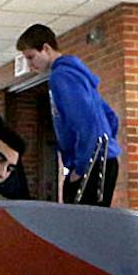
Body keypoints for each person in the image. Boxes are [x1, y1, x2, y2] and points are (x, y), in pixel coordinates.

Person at [15, 25, 121, 205]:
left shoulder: (61, 77)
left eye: (31, 57)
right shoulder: (78, 75)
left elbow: (85, 123)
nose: (30, 65)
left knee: (78, 226)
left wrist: (81, 167)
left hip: (91, 162)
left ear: (46, 49)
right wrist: (107, 145)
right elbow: (111, 117)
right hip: (102, 159)